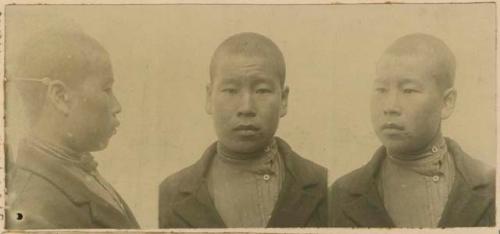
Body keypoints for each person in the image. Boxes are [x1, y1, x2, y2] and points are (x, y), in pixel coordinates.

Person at [158, 32, 327, 228]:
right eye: (230, 90)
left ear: (283, 100)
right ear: (209, 98)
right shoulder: (170, 194)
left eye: (262, 90)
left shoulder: (322, 186)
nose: (246, 107)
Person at [329, 33, 495, 228]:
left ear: (447, 102)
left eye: (408, 90)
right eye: (381, 89)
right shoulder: (340, 196)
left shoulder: (491, 187)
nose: (390, 106)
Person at [6, 28, 140, 229]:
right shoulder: (34, 210)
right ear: (60, 97)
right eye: (106, 89)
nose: (117, 107)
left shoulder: (76, 171)